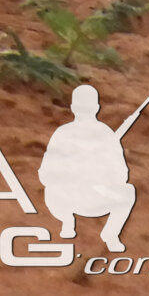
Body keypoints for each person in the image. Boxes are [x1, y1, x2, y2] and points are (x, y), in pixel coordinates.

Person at [39, 83, 137, 252]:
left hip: (80, 197)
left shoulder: (65, 133)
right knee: (127, 192)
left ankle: (100, 232)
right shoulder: (102, 133)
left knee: (127, 191)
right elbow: (122, 175)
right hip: (78, 196)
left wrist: (96, 172)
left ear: (73, 107)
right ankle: (76, 225)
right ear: (97, 107)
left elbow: (45, 173)